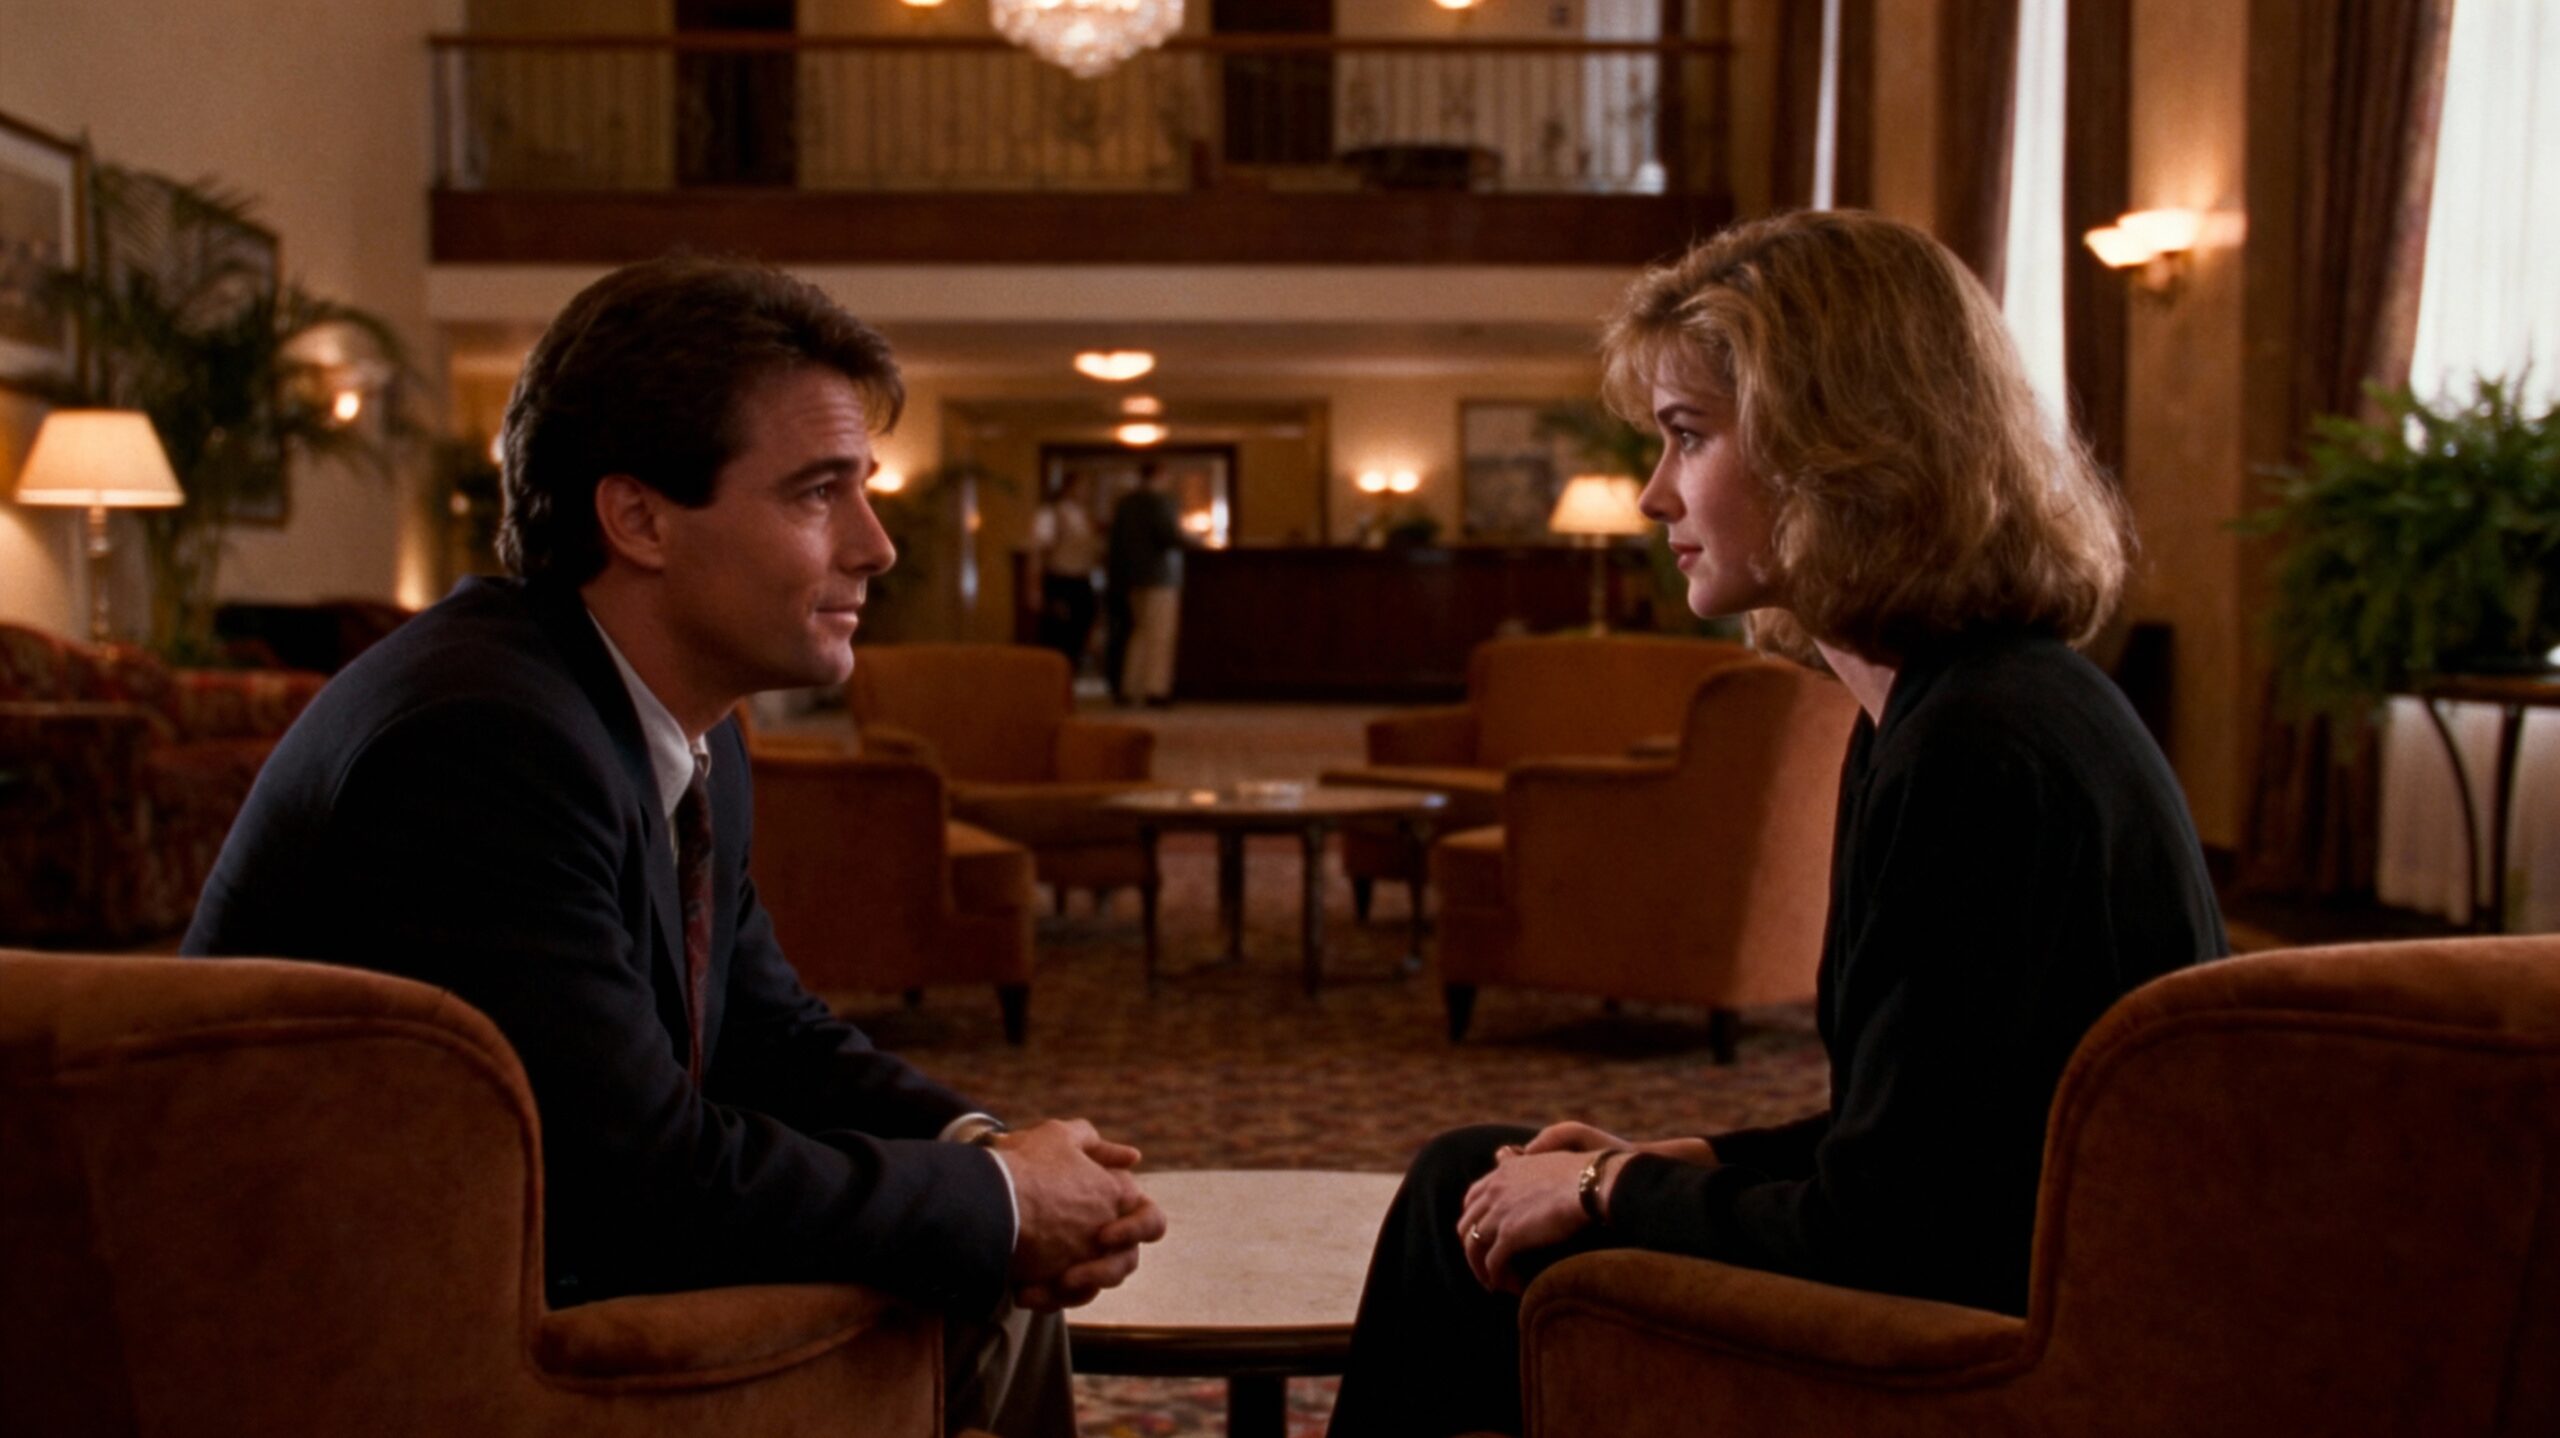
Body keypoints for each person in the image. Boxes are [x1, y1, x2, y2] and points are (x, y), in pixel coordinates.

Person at [184, 255, 1164, 1438]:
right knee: (974, 1259)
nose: (876, 546)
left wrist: (982, 1146)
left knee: (978, 1258)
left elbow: (761, 1030)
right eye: (817, 494)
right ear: (638, 516)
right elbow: (636, 1185)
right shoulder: (483, 741)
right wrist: (1001, 1201)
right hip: (376, 1347)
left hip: (532, 1265)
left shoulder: (669, 713)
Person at [1326, 210, 2228, 1438]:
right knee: (1475, 1176)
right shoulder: (1935, 706)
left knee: (1457, 1200)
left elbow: (1903, 1231)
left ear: (1835, 451)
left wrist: (1612, 1188)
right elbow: (1944, 1126)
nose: (1653, 494)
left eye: (1687, 438)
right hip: (1993, 1273)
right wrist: (1685, 1156)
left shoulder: (1980, 748)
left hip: (1988, 1354)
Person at [1106, 462, 1184, 707]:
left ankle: (1131, 686)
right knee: (1159, 634)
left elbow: (1116, 543)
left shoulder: (1126, 504)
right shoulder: (1160, 502)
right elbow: (1168, 536)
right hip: (1159, 577)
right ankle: (1155, 689)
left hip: (1132, 578)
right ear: (1160, 475)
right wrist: (1193, 540)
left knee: (1139, 633)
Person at [1030, 471, 1101, 674]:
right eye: (1082, 487)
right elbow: (1038, 553)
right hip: (1060, 579)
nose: (1085, 492)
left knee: (1082, 626)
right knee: (1058, 633)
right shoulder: (1050, 515)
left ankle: (1071, 672)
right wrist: (1034, 587)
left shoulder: (1085, 516)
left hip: (1081, 579)